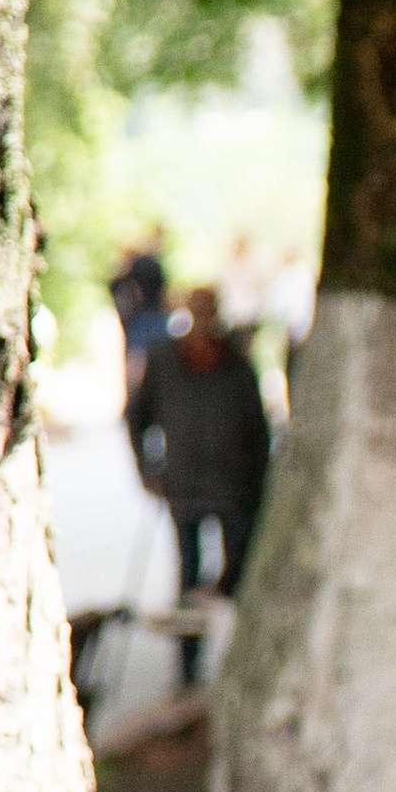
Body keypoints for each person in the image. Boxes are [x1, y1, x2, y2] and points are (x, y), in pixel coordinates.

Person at [127, 286, 272, 683]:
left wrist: (260, 483)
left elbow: (258, 428)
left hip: (234, 486)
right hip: (184, 484)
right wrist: (148, 469)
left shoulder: (237, 362)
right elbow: (137, 417)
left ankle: (237, 666)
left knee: (235, 573)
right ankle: (187, 672)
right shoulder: (164, 360)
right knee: (188, 573)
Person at [107, 230, 169, 401]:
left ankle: (137, 401)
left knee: (136, 367)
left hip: (138, 323)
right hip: (153, 321)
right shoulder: (152, 266)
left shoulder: (132, 270)